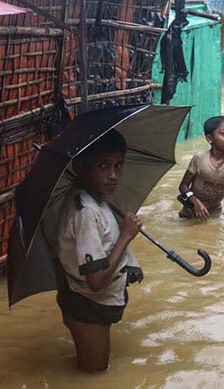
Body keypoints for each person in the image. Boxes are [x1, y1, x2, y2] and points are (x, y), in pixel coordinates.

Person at [55, 130, 144, 373]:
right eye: (103, 166)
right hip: (87, 306)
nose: (113, 175)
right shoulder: (86, 211)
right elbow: (95, 281)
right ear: (82, 166)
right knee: (93, 376)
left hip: (85, 301)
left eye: (118, 165)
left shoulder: (98, 201)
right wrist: (125, 236)